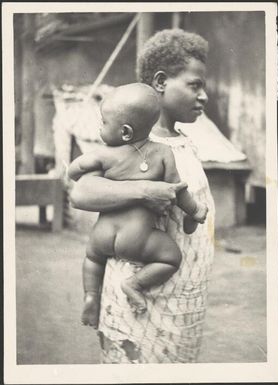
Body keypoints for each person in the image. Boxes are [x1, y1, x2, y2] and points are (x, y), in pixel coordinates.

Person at [70, 28, 215, 363]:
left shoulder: (181, 142)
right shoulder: (121, 146)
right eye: (195, 85)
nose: (204, 96)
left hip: (183, 291)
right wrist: (145, 189)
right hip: (141, 289)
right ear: (161, 81)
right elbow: (82, 190)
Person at [68, 82, 208, 326]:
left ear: (124, 133)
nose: (100, 128)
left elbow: (73, 170)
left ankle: (91, 295)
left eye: (104, 123)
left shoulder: (105, 154)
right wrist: (195, 211)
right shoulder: (163, 153)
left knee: (92, 259)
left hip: (102, 235)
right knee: (170, 258)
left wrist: (74, 168)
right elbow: (177, 190)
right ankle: (135, 284)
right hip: (137, 238)